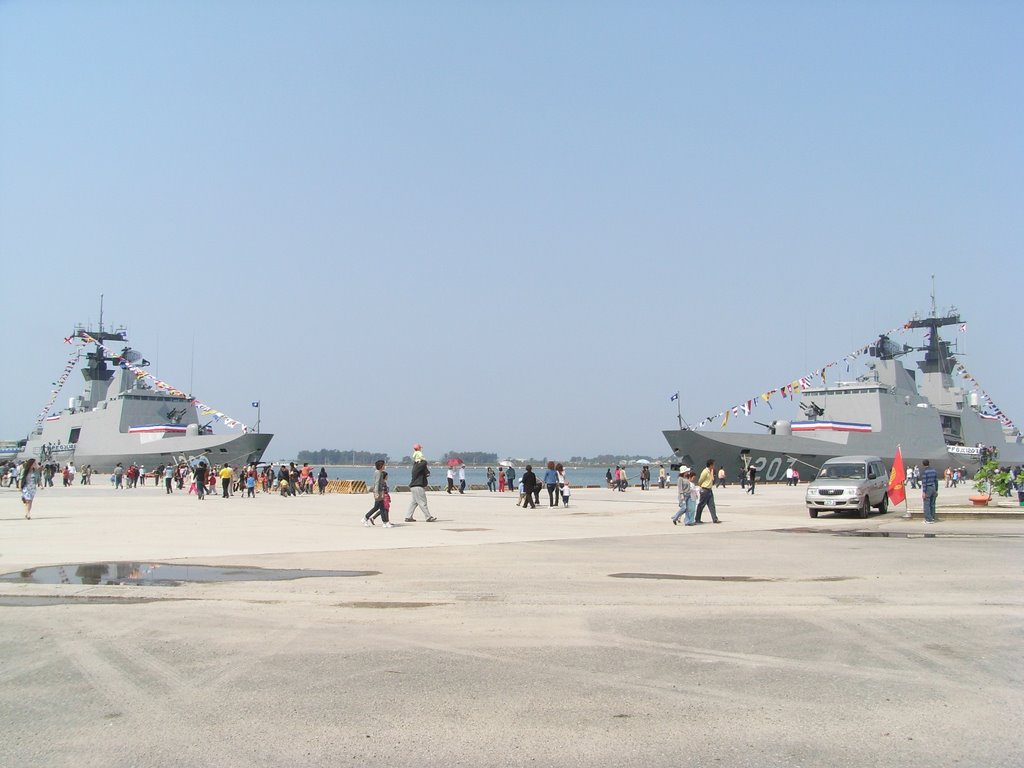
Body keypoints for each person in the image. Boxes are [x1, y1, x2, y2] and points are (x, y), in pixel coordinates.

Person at [406, 446, 436, 522]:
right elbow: (424, 464)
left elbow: (425, 471)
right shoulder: (420, 465)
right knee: (423, 502)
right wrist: (424, 461)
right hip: (418, 486)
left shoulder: (416, 466)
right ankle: (428, 517)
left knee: (414, 502)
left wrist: (426, 472)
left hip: (413, 486)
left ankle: (408, 516)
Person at [694, 459, 720, 523]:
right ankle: (697, 519)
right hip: (705, 490)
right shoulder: (705, 471)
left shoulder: (711, 471)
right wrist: (701, 486)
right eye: (713, 464)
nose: (714, 466)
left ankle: (715, 519)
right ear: (711, 465)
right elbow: (700, 480)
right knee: (701, 505)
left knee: (712, 505)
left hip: (709, 490)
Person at [365, 459, 387, 526]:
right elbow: (376, 483)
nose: (384, 466)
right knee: (381, 507)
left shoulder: (379, 472)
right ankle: (385, 523)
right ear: (381, 466)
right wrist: (377, 492)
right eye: (384, 465)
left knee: (377, 507)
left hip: (379, 491)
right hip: (378, 492)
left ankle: (365, 518)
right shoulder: (378, 472)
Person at [921, 459, 939, 523]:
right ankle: (933, 517)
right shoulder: (934, 471)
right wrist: (936, 490)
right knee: (932, 504)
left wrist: (924, 492)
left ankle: (928, 519)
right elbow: (936, 481)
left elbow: (924, 482)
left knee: (926, 504)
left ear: (923, 464)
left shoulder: (925, 472)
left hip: (928, 488)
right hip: (933, 487)